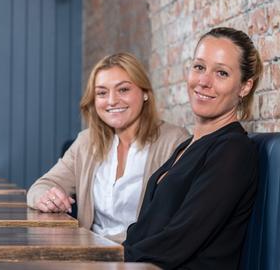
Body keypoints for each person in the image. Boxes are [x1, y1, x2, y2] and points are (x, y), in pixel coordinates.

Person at [123, 27, 263, 269]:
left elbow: (179, 241)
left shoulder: (234, 150)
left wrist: (109, 259)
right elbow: (145, 229)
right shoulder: (186, 146)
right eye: (199, 67)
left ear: (244, 87)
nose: (204, 81)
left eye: (221, 73)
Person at [27, 53, 189, 241]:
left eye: (123, 90)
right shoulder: (86, 142)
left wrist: (97, 247)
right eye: (102, 93)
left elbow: (173, 221)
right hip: (89, 256)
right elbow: (40, 187)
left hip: (141, 257)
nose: (112, 100)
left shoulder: (174, 141)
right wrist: (47, 199)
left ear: (145, 93)